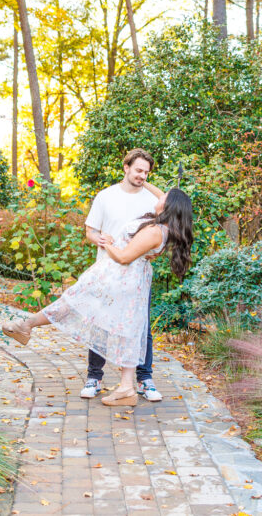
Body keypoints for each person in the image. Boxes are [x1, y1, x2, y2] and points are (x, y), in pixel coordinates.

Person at [1, 183, 193, 407]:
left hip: (120, 276)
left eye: (165, 196)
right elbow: (163, 198)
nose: (160, 196)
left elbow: (123, 257)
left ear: (169, 205)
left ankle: (28, 325)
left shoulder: (154, 230)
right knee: (120, 325)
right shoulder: (162, 224)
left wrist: (107, 243)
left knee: (79, 304)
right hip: (123, 277)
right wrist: (144, 180)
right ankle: (125, 387)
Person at [85, 149, 161, 401]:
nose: (142, 176)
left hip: (138, 276)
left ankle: (144, 378)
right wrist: (103, 240)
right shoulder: (106, 196)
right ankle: (94, 377)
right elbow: (90, 232)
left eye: (146, 172)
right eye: (138, 170)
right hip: (107, 271)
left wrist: (156, 252)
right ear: (126, 167)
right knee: (100, 323)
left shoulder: (152, 200)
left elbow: (162, 233)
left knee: (141, 326)